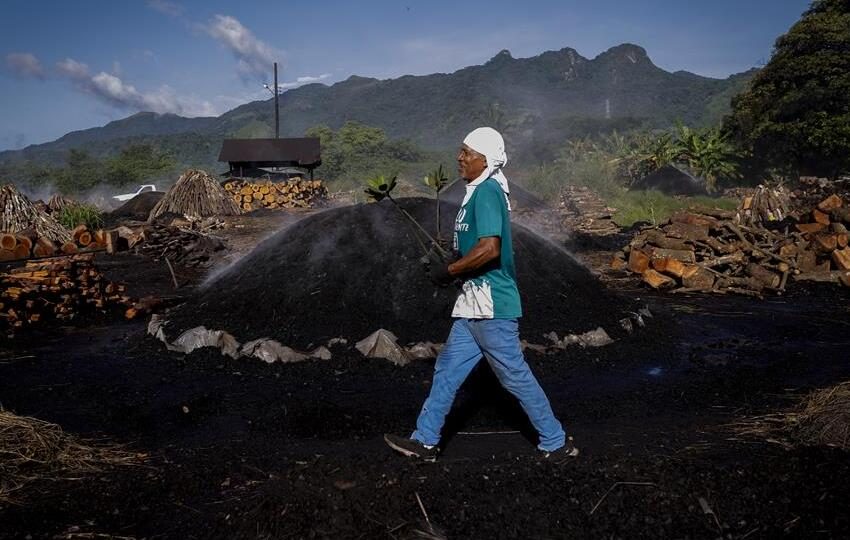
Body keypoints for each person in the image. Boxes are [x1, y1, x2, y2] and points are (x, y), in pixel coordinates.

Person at [384, 127, 577, 462]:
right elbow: (475, 247)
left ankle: (557, 443)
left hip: (492, 305)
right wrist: (453, 262)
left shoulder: (487, 191)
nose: (460, 157)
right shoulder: (474, 192)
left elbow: (490, 248)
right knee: (447, 370)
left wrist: (449, 271)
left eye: (467, 153)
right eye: (461, 151)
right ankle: (425, 441)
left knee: (514, 376)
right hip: (473, 306)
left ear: (485, 160)